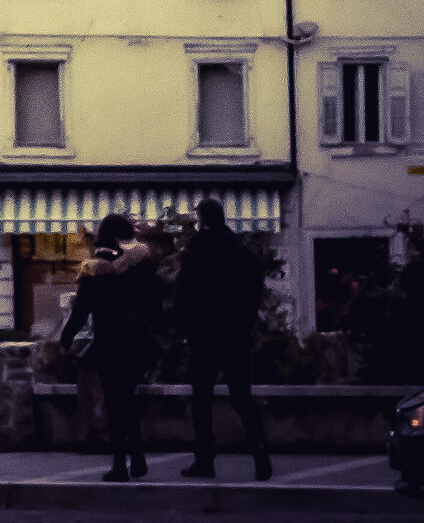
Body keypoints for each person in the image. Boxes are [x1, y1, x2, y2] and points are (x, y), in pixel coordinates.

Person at [176, 197, 271, 480]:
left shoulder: (199, 249)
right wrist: (245, 324)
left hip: (205, 335)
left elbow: (185, 292)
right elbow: (254, 292)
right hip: (235, 335)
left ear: (203, 219)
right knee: (242, 396)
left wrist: (187, 327)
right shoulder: (242, 251)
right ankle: (260, 451)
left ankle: (205, 460)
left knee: (201, 400)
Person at [62, 213, 159, 483]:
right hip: (137, 339)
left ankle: (120, 463)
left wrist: (66, 338)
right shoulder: (141, 265)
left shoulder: (95, 268)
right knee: (127, 398)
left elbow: (81, 310)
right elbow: (156, 305)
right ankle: (137, 454)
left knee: (116, 403)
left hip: (110, 340)